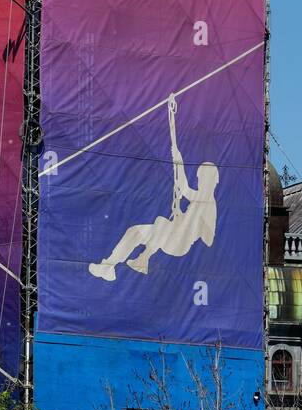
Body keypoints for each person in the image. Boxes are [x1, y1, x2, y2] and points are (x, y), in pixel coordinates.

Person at [88, 95, 219, 281]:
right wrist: (177, 157)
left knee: (161, 224)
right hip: (171, 234)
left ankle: (144, 259)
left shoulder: (209, 205)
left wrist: (195, 224)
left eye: (203, 179)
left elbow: (209, 239)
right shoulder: (198, 197)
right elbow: (183, 186)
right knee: (135, 231)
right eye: (199, 178)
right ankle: (109, 266)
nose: (200, 182)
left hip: (179, 243)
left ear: (213, 182)